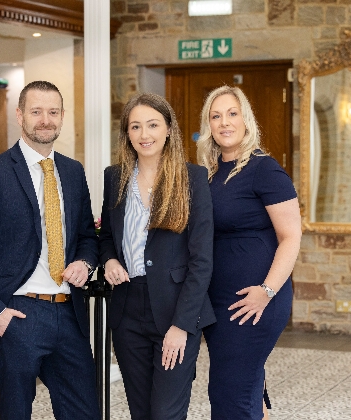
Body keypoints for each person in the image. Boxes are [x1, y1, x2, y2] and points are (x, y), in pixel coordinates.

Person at [0, 80, 100, 420]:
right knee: (17, 413)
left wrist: (85, 262)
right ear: (19, 115)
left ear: (61, 117)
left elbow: (88, 235)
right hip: (18, 314)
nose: (45, 120)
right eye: (36, 111)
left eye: (53, 112)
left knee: (84, 411)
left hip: (69, 313)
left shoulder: (73, 172)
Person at [99, 92, 216, 420]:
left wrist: (182, 325)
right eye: (135, 127)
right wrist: (109, 260)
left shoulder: (193, 179)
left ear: (168, 129)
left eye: (152, 125)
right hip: (127, 310)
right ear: (127, 134)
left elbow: (202, 259)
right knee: (141, 411)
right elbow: (106, 236)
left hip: (175, 308)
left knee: (165, 412)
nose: (144, 134)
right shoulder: (115, 177)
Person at [197, 86, 302, 420]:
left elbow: (291, 237)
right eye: (216, 116)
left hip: (254, 300)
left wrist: (266, 291)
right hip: (218, 302)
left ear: (246, 119)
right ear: (208, 124)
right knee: (245, 387)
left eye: (232, 113)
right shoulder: (210, 173)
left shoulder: (264, 169)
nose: (224, 122)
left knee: (231, 393)